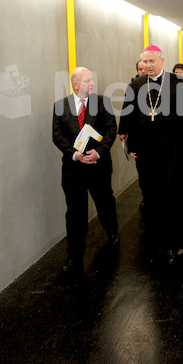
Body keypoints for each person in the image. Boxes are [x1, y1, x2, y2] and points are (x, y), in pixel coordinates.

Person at [123, 46, 183, 264]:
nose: (148, 65)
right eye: (144, 62)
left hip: (173, 147)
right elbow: (131, 117)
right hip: (147, 149)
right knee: (152, 194)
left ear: (162, 61)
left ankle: (173, 244)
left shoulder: (177, 83)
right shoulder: (136, 85)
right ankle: (156, 241)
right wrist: (132, 144)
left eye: (152, 61)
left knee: (173, 194)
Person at [52, 67, 118, 278]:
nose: (92, 83)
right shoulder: (60, 106)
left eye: (92, 79)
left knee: (104, 201)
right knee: (75, 212)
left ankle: (113, 231)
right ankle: (74, 256)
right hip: (73, 169)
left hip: (98, 166)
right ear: (75, 84)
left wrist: (97, 153)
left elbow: (111, 130)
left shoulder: (102, 102)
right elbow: (57, 135)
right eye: (87, 80)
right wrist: (74, 154)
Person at [118, 60, 148, 211]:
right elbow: (126, 110)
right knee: (142, 171)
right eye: (140, 69)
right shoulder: (132, 87)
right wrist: (122, 131)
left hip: (156, 138)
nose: (143, 71)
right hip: (138, 137)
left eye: (145, 68)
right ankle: (146, 197)